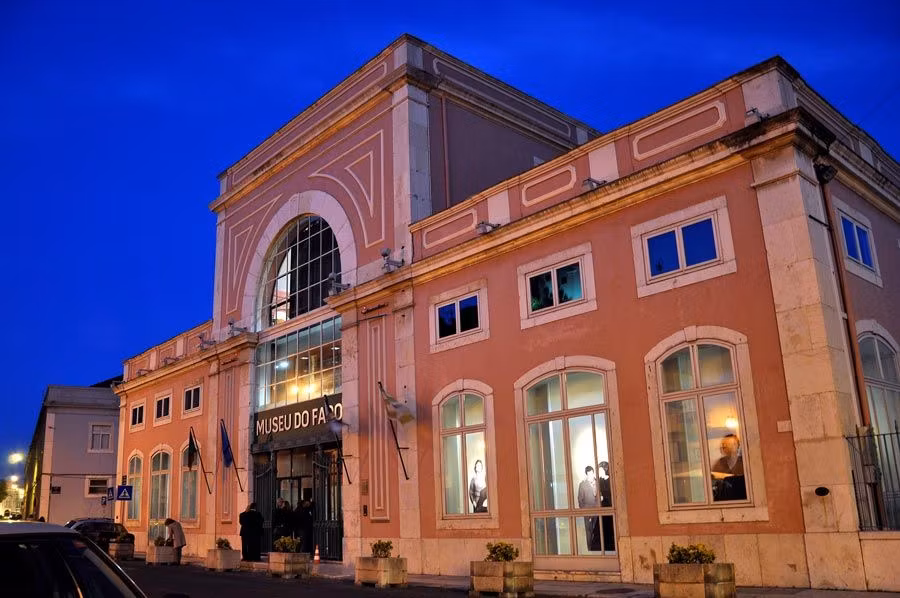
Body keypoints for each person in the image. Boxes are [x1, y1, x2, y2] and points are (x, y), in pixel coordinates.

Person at [711, 433, 746, 501]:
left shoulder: (744, 463)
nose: (724, 446)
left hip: (743, 499)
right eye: (723, 445)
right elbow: (714, 480)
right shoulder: (719, 463)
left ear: (736, 446)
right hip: (724, 501)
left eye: (728, 444)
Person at [576, 465, 601, 551]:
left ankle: (598, 548)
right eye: (589, 474)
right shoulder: (582, 484)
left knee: (598, 530)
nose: (591, 475)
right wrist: (584, 511)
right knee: (589, 531)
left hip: (598, 511)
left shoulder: (598, 482)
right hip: (588, 512)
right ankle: (590, 549)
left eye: (592, 473)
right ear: (586, 475)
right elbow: (580, 499)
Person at [596, 462, 615, 551]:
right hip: (603, 505)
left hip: (609, 504)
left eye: (600, 470)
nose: (599, 472)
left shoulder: (610, 480)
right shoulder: (600, 480)